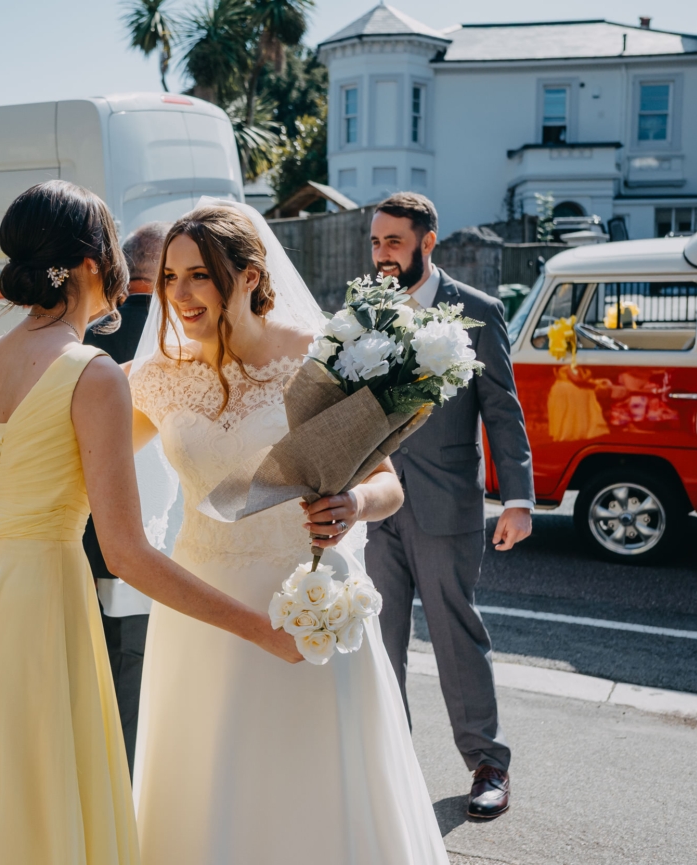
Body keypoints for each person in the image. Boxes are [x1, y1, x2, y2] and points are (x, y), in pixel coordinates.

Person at [0, 181, 301, 865]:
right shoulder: (93, 373)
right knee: (34, 787)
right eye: (118, 248)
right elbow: (126, 553)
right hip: (34, 598)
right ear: (92, 263)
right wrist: (259, 628)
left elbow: (32, 454)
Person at [126, 203, 449, 864]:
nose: (179, 295)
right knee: (209, 788)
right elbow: (76, 459)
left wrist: (353, 501)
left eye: (198, 276)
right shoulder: (156, 376)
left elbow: (390, 483)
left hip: (307, 605)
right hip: (203, 612)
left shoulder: (317, 358)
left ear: (248, 276)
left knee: (314, 791)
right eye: (169, 278)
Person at [358, 191, 536, 819]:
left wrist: (517, 499)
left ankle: (488, 764)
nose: (381, 254)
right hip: (374, 504)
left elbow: (503, 412)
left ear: (427, 243)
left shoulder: (478, 311)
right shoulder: (363, 310)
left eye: (393, 242)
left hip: (446, 501)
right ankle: (390, 765)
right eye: (375, 242)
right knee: (377, 638)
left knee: (456, 633)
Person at [81, 221, 171, 774]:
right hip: (147, 534)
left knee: (93, 676)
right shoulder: (174, 341)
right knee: (136, 683)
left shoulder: (86, 337)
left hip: (84, 532)